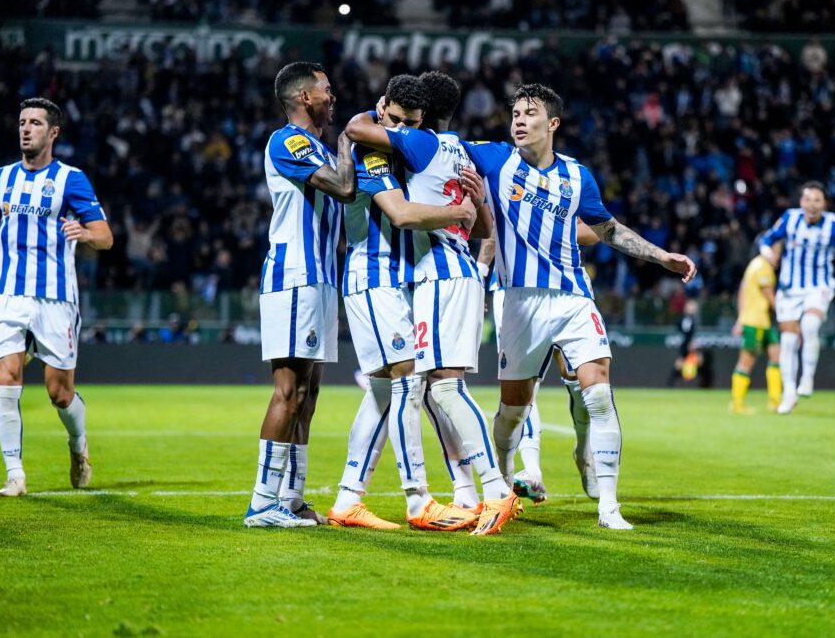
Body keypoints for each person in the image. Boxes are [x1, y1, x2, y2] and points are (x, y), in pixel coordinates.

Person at [463, 83, 696, 530]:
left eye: (529, 113)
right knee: (513, 410)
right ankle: (505, 479)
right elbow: (437, 143)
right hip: (517, 302)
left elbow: (608, 229)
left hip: (572, 297)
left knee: (599, 393)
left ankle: (609, 505)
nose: (518, 120)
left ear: (552, 123)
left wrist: (661, 256)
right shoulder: (492, 158)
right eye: (514, 112)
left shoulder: (577, 175)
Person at [346, 71, 517, 537]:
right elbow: (474, 222)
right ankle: (362, 496)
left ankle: (483, 491)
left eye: (409, 122)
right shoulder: (468, 149)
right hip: (422, 276)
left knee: (435, 388)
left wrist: (470, 209)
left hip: (437, 276)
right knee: (403, 387)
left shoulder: (418, 146)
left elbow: (358, 128)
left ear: (423, 122)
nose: (401, 128)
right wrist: (473, 205)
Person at [0, 97, 113, 496]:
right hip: (7, 294)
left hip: (55, 298)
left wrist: (85, 234)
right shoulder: (1, 177)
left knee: (58, 394)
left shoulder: (71, 180)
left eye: (35, 123)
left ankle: (78, 446)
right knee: (6, 377)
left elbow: (106, 236)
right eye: (22, 122)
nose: (25, 128)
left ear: (53, 132)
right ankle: (15, 475)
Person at [244, 62, 355, 528]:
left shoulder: (315, 148)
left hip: (321, 280)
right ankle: (261, 502)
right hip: (295, 276)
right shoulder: (288, 141)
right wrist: (351, 142)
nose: (333, 97)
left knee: (308, 395)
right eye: (327, 90)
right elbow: (344, 186)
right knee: (288, 391)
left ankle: (291, 498)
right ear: (306, 98)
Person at [477, 219, 603, 503]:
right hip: (513, 290)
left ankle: (584, 452)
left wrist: (547, 228)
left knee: (577, 381)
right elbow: (494, 224)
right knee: (523, 385)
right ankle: (532, 470)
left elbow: (595, 230)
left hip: (565, 286)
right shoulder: (505, 175)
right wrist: (480, 271)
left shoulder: (570, 176)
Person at [760, 181, 835, 414]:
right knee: (787, 342)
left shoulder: (833, 224)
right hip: (789, 287)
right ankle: (789, 393)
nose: (811, 205)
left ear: (824, 204)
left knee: (811, 325)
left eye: (817, 200)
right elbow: (767, 239)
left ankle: (807, 378)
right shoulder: (790, 218)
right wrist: (766, 253)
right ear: (801, 202)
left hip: (819, 286)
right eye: (807, 199)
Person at [730, 250, 782, 414]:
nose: (778, 257)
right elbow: (770, 296)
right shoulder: (762, 267)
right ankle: (737, 404)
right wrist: (786, 314)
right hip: (755, 321)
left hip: (763, 321)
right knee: (747, 361)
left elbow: (742, 290)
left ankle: (776, 402)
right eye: (776, 253)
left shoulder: (754, 265)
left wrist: (740, 317)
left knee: (776, 355)